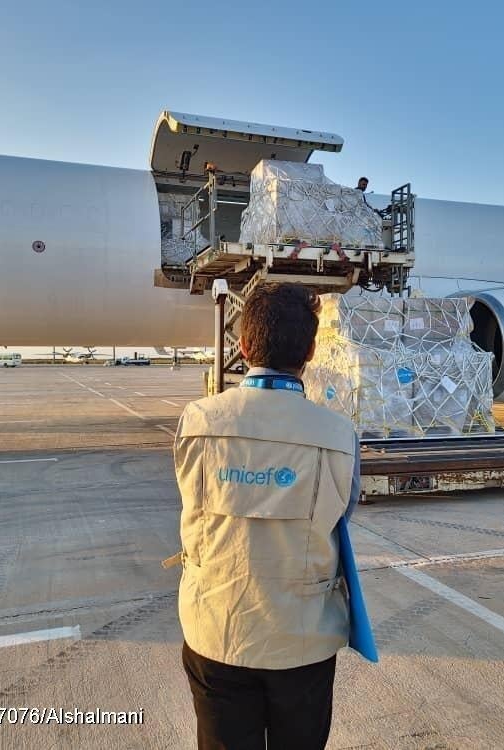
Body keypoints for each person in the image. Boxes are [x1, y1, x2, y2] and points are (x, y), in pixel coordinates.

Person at [171, 282, 361, 750]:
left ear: (243, 345)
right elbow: (343, 515)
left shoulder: (196, 421)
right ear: (311, 351)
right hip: (302, 637)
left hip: (217, 629)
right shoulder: (339, 434)